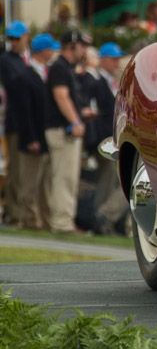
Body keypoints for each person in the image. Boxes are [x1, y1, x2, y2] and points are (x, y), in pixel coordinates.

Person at [7, 34, 61, 230]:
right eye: (51, 49)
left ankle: (44, 219)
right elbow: (24, 111)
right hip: (33, 136)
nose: (53, 53)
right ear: (44, 51)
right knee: (29, 181)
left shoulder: (44, 74)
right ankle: (29, 219)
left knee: (43, 182)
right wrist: (30, 138)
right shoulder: (26, 76)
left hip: (43, 135)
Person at [43, 29, 95, 234]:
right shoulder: (60, 68)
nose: (84, 51)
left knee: (66, 177)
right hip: (62, 130)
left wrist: (80, 113)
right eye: (82, 46)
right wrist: (75, 122)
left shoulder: (65, 68)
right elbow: (61, 96)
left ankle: (63, 220)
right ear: (71, 45)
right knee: (64, 177)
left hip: (64, 129)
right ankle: (62, 223)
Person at [90, 42, 129, 235]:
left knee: (110, 180)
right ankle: (102, 216)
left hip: (111, 137)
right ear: (103, 60)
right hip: (104, 137)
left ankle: (100, 218)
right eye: (113, 59)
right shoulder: (97, 82)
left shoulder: (111, 82)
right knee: (109, 180)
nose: (116, 63)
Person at [0, 20, 30, 225]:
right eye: (10, 39)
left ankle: (20, 212)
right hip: (14, 121)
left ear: (25, 37)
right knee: (15, 171)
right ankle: (13, 213)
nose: (13, 42)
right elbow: (16, 84)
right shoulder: (7, 60)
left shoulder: (24, 59)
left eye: (17, 38)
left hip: (26, 121)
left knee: (24, 171)